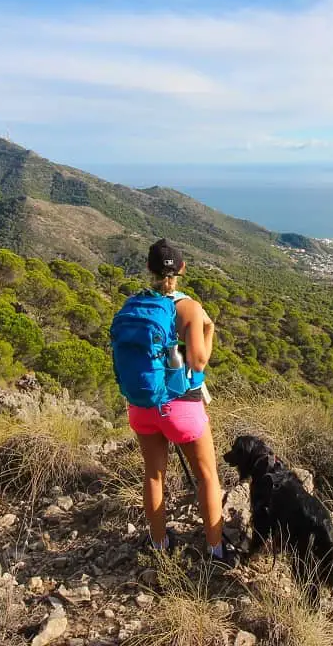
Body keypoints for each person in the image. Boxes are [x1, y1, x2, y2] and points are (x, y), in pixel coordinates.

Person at [124, 239, 229, 561]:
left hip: (142, 405)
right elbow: (198, 362)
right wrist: (208, 330)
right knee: (207, 476)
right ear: (182, 269)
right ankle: (216, 549)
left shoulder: (132, 304)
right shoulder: (189, 307)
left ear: (148, 269)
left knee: (153, 476)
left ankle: (159, 545)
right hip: (181, 406)